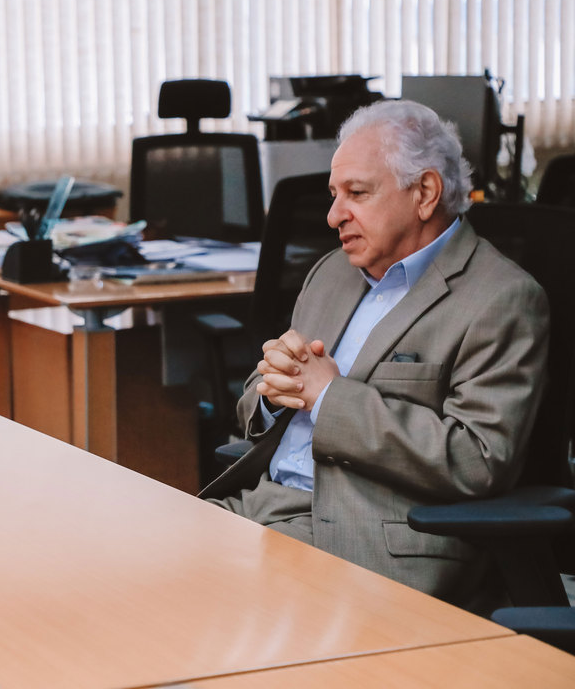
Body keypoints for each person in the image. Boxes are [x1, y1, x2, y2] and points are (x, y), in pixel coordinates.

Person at [199, 99, 549, 610]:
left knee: (190, 605)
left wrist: (329, 397)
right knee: (135, 559)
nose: (333, 216)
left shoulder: (501, 298)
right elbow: (259, 401)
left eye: (356, 193)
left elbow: (478, 461)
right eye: (333, 195)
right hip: (261, 505)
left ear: (425, 193)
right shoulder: (331, 273)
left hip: (365, 540)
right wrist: (273, 392)